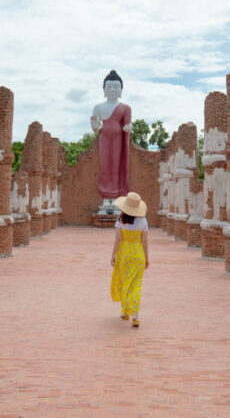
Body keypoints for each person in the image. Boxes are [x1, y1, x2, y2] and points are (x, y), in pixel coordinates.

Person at [91, 70, 131, 203]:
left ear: (121, 90)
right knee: (104, 165)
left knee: (115, 165)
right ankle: (105, 195)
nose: (112, 89)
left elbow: (127, 124)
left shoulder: (125, 108)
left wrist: (128, 127)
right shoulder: (98, 108)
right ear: (104, 89)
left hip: (118, 138)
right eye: (108, 87)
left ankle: (115, 196)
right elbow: (95, 129)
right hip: (104, 137)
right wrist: (94, 125)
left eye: (116, 87)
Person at [110, 191, 149, 328]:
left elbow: (118, 239)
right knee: (136, 285)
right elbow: (144, 242)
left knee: (125, 282)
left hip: (124, 254)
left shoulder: (121, 221)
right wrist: (147, 258)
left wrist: (113, 254)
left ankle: (125, 311)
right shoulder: (143, 221)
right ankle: (135, 315)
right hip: (138, 254)